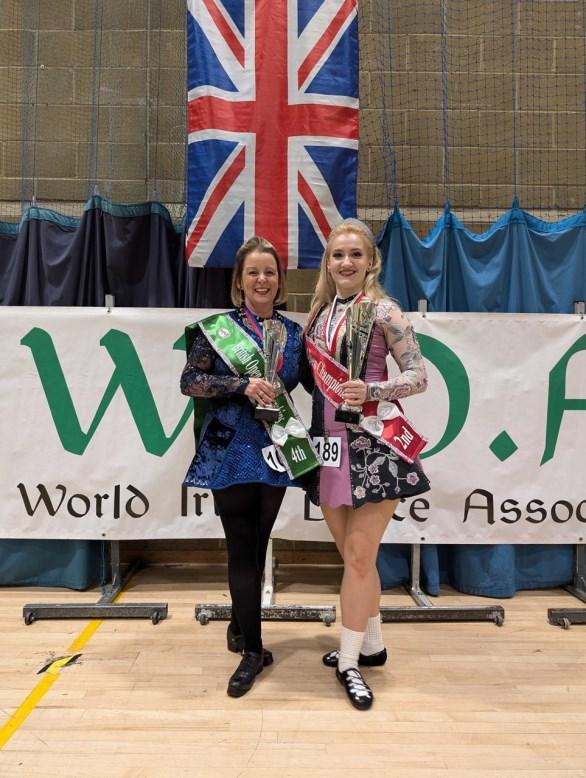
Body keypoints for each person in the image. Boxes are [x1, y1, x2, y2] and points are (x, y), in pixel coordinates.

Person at [180, 236, 317, 699]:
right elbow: (190, 381)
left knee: (258, 543)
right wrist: (242, 384)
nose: (262, 279)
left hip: (277, 447)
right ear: (239, 281)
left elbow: (313, 385)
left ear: (280, 282)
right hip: (229, 448)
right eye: (253, 272)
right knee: (241, 547)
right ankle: (253, 652)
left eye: (270, 272)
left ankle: (240, 626)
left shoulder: (295, 334)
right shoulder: (218, 329)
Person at [304, 218, 430, 711]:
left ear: (371, 261)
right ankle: (372, 644)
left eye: (356, 254)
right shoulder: (318, 314)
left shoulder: (385, 311)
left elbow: (419, 375)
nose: (346, 262)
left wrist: (374, 389)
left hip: (375, 444)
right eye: (338, 254)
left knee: (358, 556)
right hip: (328, 445)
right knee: (354, 558)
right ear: (327, 262)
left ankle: (350, 662)